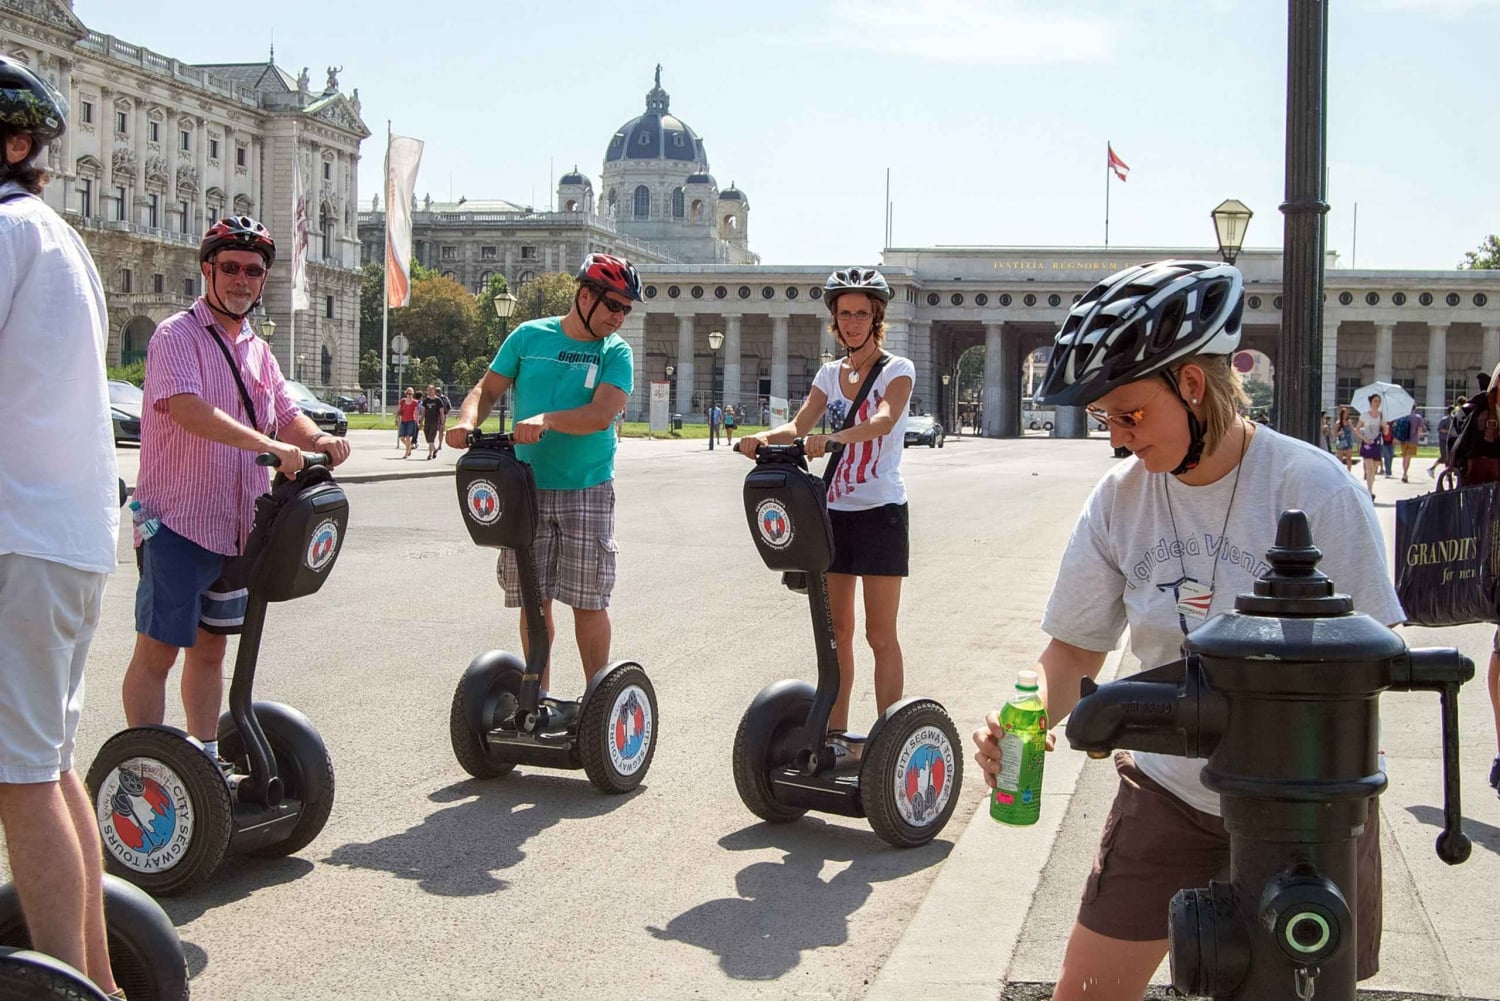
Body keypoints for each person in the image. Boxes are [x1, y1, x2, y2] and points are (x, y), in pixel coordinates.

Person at [970, 260, 1401, 1000]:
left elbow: (1377, 657)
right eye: (1107, 419)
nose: (1120, 438)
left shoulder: (1313, 488)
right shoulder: (1119, 500)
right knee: (1085, 992)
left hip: (1304, 809)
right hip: (1167, 793)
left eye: (1131, 415)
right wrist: (1034, 711)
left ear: (1193, 386)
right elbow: (1075, 646)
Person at [121, 216, 352, 768]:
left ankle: (202, 758)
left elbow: (286, 413)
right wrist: (270, 445)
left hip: (237, 527)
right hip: (175, 521)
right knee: (160, 650)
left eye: (253, 270)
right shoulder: (176, 335)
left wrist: (318, 439)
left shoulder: (257, 348)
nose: (241, 280)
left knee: (212, 648)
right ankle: (147, 767)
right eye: (230, 267)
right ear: (208, 270)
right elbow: (188, 410)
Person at [0, 56, 124, 999]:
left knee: (20, 780)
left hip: (19, 538)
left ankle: (66, 989)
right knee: (49, 765)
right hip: (68, 539)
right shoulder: (59, 236)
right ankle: (101, 981)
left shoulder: (5, 233)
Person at [446, 253, 641, 711]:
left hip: (586, 486)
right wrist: (466, 419)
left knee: (588, 598)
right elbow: (486, 390)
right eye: (613, 305)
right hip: (525, 486)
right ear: (585, 295)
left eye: (625, 310)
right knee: (536, 599)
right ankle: (539, 697)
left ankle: (599, 703)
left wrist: (546, 419)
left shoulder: (615, 352)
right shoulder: (529, 336)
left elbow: (600, 414)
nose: (619, 317)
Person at [738, 267, 915, 761]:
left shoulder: (897, 369)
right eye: (845, 314)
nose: (853, 322)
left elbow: (882, 421)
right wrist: (760, 439)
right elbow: (798, 425)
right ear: (834, 321)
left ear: (876, 317)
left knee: (881, 634)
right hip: (832, 515)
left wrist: (833, 439)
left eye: (862, 313)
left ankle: (889, 738)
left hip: (880, 512)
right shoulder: (827, 375)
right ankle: (835, 736)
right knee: (838, 635)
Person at [1357, 393, 1385, 500]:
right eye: (1375, 401)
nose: (1377, 403)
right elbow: (1357, 429)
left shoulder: (1381, 415)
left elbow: (1385, 431)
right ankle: (1369, 491)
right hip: (1367, 443)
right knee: (1369, 468)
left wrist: (1385, 427)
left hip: (1376, 443)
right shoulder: (1364, 415)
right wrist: (1364, 438)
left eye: (1379, 401)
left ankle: (1370, 488)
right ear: (1371, 402)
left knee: (1374, 469)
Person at [1396, 407, 1426, 483]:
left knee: (1404, 457)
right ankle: (1405, 474)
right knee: (1408, 458)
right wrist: (1418, 438)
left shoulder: (1403, 416)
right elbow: (1419, 430)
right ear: (1414, 408)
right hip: (1413, 440)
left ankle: (1404, 473)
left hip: (1403, 439)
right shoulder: (1418, 417)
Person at [420, 384, 447, 460]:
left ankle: (430, 454)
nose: (430, 391)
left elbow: (441, 412)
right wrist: (421, 422)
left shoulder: (438, 400)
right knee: (428, 438)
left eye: (431, 390)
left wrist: (442, 423)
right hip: (427, 422)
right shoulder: (426, 401)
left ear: (434, 391)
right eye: (428, 390)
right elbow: (423, 412)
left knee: (431, 438)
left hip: (434, 422)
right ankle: (434, 450)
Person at [396, 386, 420, 458]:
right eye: (408, 393)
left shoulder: (415, 402)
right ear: (406, 394)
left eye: (411, 394)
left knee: (408, 437)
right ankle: (409, 448)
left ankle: (406, 453)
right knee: (402, 437)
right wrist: (396, 419)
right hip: (403, 421)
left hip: (411, 421)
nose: (409, 395)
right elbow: (398, 410)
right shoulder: (402, 401)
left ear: (413, 394)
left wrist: (417, 422)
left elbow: (416, 413)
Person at [1334, 404, 1356, 469]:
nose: (1346, 415)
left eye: (1347, 414)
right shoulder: (1338, 423)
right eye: (1344, 414)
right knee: (1340, 458)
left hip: (1348, 441)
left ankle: (1349, 471)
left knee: (1349, 457)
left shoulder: (1349, 422)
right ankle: (1340, 471)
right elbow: (1334, 434)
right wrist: (1339, 433)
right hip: (1341, 441)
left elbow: (1353, 429)